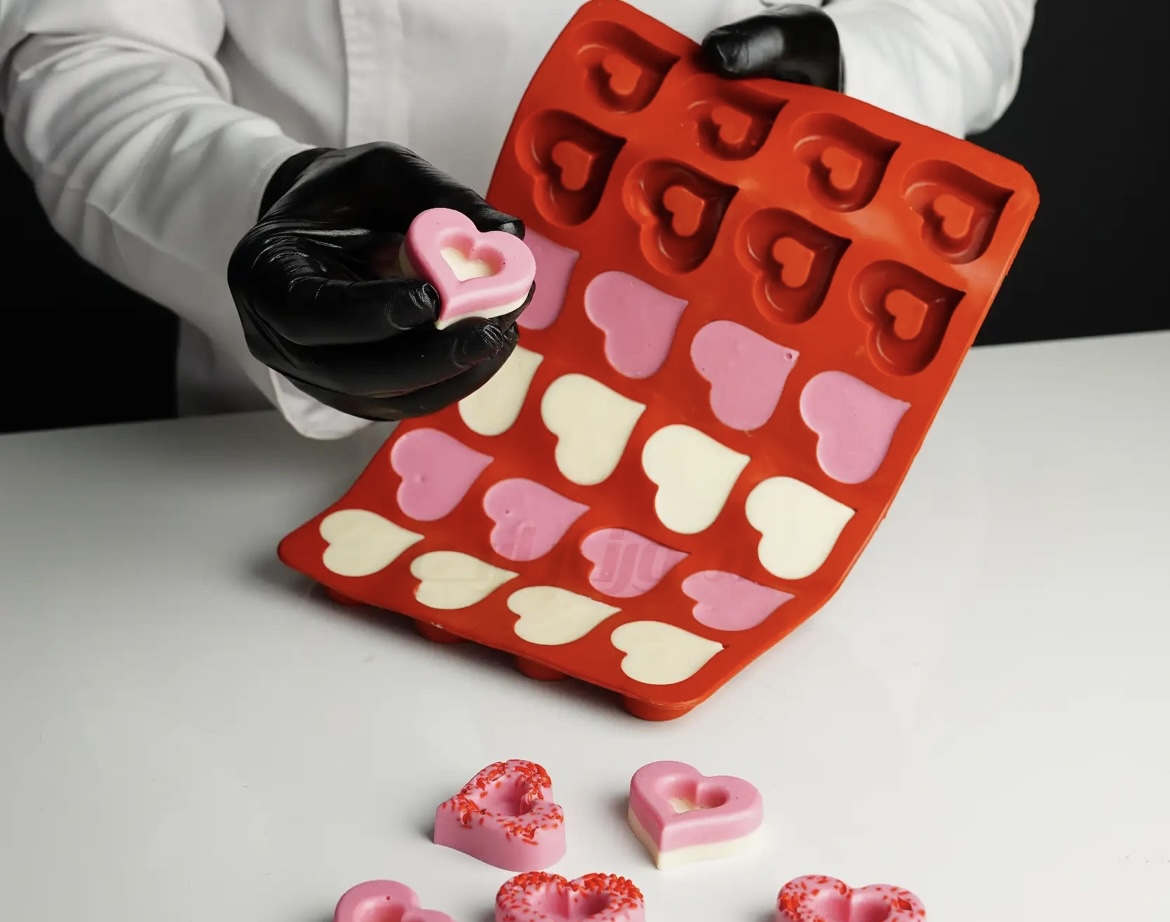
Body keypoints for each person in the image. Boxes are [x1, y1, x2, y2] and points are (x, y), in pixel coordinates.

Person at [0, 1, 1034, 439]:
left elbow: (965, 13)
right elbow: (87, 49)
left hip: (752, 417)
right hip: (289, 440)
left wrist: (859, 84)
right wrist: (258, 206)